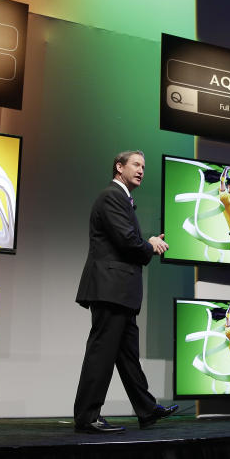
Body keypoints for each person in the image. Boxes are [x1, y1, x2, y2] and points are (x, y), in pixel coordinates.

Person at [73, 151, 178, 433]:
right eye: (136, 164)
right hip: (110, 290)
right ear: (119, 167)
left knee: (127, 355)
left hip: (120, 292)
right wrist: (151, 245)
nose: (142, 170)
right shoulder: (112, 196)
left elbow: (127, 239)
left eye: (144, 166)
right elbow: (127, 241)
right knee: (101, 354)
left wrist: (147, 242)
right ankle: (87, 417)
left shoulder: (123, 199)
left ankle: (145, 409)